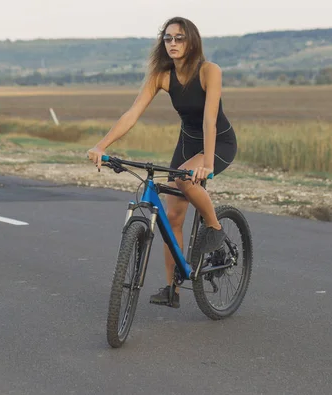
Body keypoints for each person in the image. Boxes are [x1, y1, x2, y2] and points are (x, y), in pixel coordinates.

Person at [87, 16, 237, 308]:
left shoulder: (209, 71)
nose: (173, 43)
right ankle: (172, 290)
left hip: (218, 141)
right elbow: (132, 113)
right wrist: (101, 145)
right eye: (168, 38)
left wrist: (206, 161)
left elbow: (209, 118)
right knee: (173, 217)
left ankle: (215, 227)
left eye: (179, 38)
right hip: (187, 143)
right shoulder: (162, 75)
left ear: (192, 41)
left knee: (183, 177)